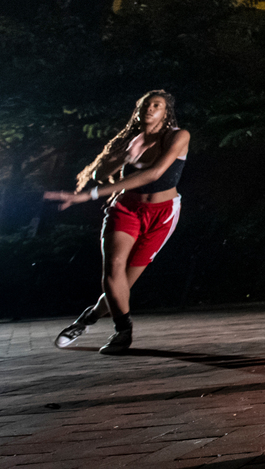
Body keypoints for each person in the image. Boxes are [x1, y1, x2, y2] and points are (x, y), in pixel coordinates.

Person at [46, 90, 190, 356]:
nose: (150, 109)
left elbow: (154, 173)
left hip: (162, 214)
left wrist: (88, 195)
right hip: (126, 208)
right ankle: (123, 331)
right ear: (138, 111)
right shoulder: (129, 141)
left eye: (156, 105)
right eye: (145, 105)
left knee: (123, 285)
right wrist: (124, 155)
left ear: (166, 112)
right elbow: (101, 174)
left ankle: (88, 318)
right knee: (113, 268)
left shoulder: (178, 136)